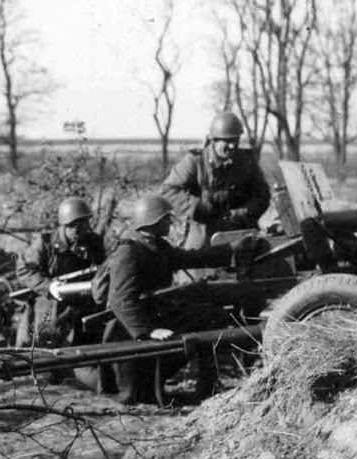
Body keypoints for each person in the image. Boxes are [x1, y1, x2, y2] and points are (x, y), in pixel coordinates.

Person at [103, 195, 255, 405]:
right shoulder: (128, 252)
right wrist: (147, 331)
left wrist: (231, 249)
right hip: (129, 328)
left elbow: (191, 258)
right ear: (151, 222)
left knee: (211, 317)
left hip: (153, 315)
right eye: (166, 220)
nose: (170, 224)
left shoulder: (157, 246)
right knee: (136, 394)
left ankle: (207, 387)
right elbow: (120, 300)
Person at [160, 111, 271, 251]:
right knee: (195, 264)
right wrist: (198, 206)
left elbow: (263, 194)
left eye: (235, 141)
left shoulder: (246, 162)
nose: (232, 146)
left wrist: (244, 212)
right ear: (214, 140)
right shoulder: (195, 162)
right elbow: (168, 190)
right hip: (203, 234)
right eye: (227, 141)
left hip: (241, 232)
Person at [15, 197, 106, 349]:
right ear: (64, 226)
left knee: (84, 353)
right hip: (51, 307)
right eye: (74, 226)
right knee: (46, 352)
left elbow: (102, 267)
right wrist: (48, 286)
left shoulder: (94, 242)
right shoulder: (45, 243)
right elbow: (24, 270)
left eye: (84, 223)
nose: (79, 229)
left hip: (83, 305)